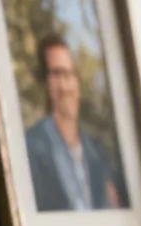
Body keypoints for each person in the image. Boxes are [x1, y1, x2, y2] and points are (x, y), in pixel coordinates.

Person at [24, 34, 128, 211]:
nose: (65, 86)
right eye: (57, 74)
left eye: (70, 74)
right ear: (44, 83)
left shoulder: (98, 152)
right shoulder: (30, 148)